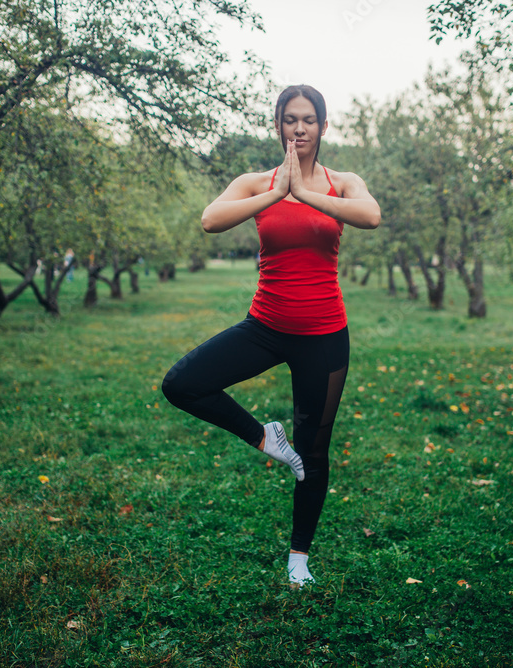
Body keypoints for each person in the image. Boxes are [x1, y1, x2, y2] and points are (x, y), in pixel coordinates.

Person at [161, 84, 381, 588]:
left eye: (308, 120)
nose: (299, 128)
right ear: (278, 126)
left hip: (324, 336)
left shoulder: (342, 182)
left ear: (323, 127)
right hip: (265, 327)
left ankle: (299, 556)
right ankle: (265, 436)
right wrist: (276, 192)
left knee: (315, 450)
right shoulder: (256, 182)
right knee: (182, 384)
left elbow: (371, 216)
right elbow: (210, 220)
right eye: (289, 120)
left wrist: (304, 193)